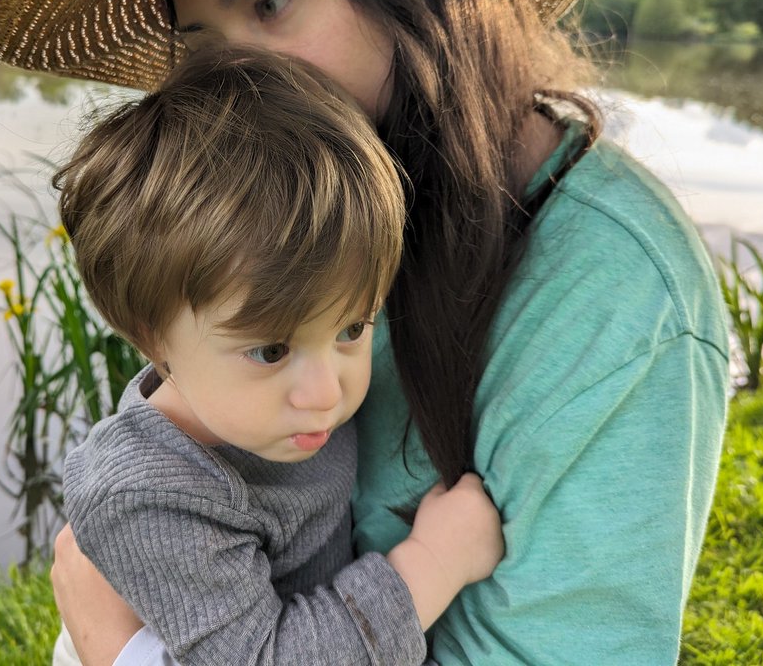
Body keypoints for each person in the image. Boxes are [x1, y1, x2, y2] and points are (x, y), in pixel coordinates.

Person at [0, 0, 730, 663]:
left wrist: (120, 653)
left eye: (271, 1)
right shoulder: (310, 212)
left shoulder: (615, 296)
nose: (241, 79)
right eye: (203, 44)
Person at [48, 47, 503, 666]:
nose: (325, 393)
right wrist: (433, 562)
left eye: (351, 328)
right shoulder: (149, 495)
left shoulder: (246, 401)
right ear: (153, 337)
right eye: (270, 349)